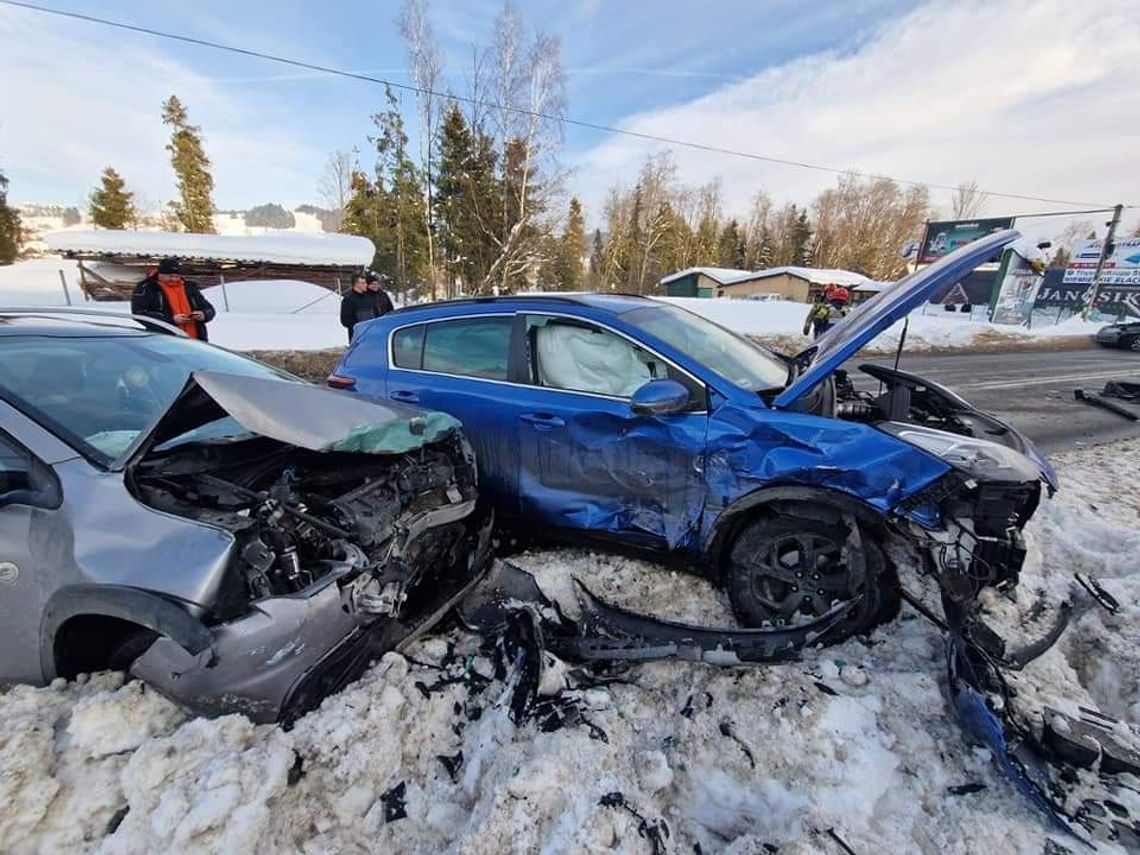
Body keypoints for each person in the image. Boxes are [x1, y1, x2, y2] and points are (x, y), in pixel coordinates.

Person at [131, 258, 215, 340]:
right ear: (160, 273)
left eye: (177, 276)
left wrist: (203, 315)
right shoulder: (146, 287)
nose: (174, 279)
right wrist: (171, 319)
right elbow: (139, 313)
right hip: (164, 341)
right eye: (170, 276)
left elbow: (209, 309)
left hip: (196, 342)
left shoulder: (190, 287)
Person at [340, 273, 379, 343]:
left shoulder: (369, 297)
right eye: (363, 283)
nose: (366, 285)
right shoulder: (348, 299)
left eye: (365, 283)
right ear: (356, 284)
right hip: (358, 337)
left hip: (371, 334)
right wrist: (361, 326)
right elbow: (345, 320)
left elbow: (374, 313)